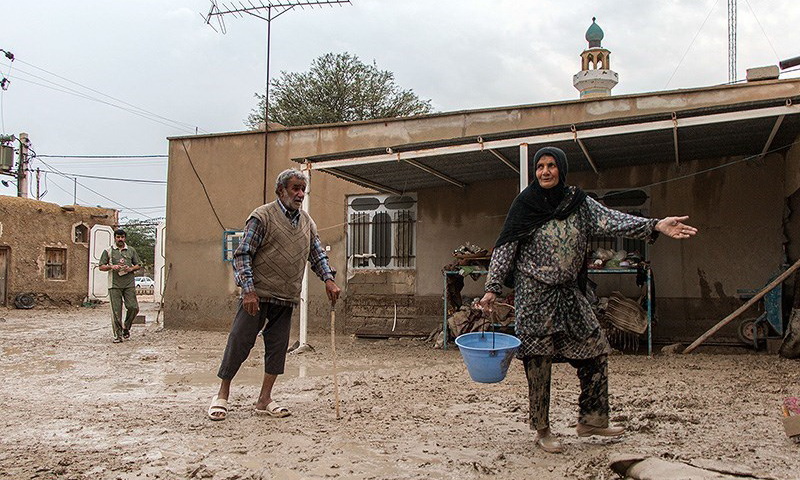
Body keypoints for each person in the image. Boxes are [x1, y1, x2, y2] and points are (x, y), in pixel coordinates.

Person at [478, 146, 697, 454]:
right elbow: (505, 247)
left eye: (551, 165)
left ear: (562, 169)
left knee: (595, 348)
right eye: (540, 166)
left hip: (570, 292)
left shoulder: (578, 203)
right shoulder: (525, 204)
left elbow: (613, 220)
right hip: (534, 294)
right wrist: (492, 287)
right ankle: (542, 429)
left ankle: (592, 420)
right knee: (538, 360)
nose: (545, 171)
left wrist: (655, 224)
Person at [208, 168, 341, 421]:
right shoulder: (262, 217)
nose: (300, 194)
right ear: (281, 190)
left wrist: (329, 279)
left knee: (278, 348)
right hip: (257, 295)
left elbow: (317, 255)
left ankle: (264, 399)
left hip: (286, 296)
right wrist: (248, 290)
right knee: (239, 342)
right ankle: (222, 395)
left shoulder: (307, 224)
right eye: (295, 188)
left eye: (303, 189)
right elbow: (243, 254)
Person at [98, 228, 141, 343]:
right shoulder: (108, 251)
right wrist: (112, 267)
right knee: (116, 311)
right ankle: (118, 335)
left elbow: (138, 264)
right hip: (114, 284)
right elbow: (101, 266)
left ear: (125, 238)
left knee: (133, 307)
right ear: (115, 238)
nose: (120, 239)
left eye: (122, 237)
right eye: (118, 237)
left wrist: (130, 268)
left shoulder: (131, 250)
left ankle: (126, 327)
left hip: (129, 283)